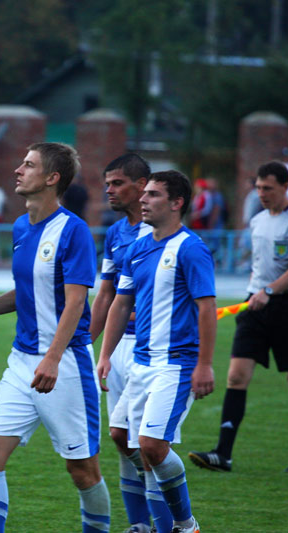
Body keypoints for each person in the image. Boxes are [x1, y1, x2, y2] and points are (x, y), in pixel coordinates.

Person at [0, 142, 110, 532]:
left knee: (83, 471)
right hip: (21, 362)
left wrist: (53, 358)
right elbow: (27, 293)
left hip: (65, 364)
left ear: (52, 178)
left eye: (28, 165)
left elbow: (76, 301)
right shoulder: (21, 227)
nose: (18, 170)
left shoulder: (74, 231)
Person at [98, 170, 217, 533]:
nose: (143, 199)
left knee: (151, 445)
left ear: (176, 203)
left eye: (152, 194)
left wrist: (205, 364)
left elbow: (207, 308)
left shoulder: (191, 248)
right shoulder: (137, 248)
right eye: (144, 193)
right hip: (141, 363)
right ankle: (163, 518)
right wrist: (105, 355)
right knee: (121, 436)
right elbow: (121, 304)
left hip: (176, 365)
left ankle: (186, 525)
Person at [189, 161, 288, 475]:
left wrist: (270, 290)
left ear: (285, 186)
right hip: (255, 306)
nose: (261, 193)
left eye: (268, 188)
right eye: (259, 188)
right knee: (236, 376)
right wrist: (258, 292)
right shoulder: (258, 220)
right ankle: (223, 454)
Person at [89, 154, 169, 533]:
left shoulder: (166, 234)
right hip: (118, 346)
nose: (109, 190)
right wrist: (85, 344)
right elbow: (106, 294)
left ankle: (172, 521)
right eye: (107, 183)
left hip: (155, 349)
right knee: (121, 440)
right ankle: (140, 525)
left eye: (117, 183)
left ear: (141, 185)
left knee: (147, 443)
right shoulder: (116, 233)